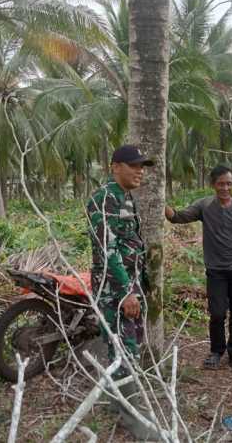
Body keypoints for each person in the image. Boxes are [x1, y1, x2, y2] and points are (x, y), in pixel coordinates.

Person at [85, 144, 159, 440]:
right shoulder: (103, 200)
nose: (140, 171)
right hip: (115, 291)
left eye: (143, 166)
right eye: (134, 165)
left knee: (123, 346)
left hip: (130, 287)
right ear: (115, 166)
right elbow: (108, 250)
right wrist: (128, 292)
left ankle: (116, 403)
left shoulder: (125, 198)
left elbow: (131, 246)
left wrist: (140, 287)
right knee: (126, 350)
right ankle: (133, 419)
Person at [165, 165, 232, 373]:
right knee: (217, 313)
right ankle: (216, 351)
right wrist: (160, 202)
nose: (225, 188)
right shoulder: (204, 206)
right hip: (216, 271)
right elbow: (178, 217)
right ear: (213, 184)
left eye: (229, 183)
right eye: (221, 183)